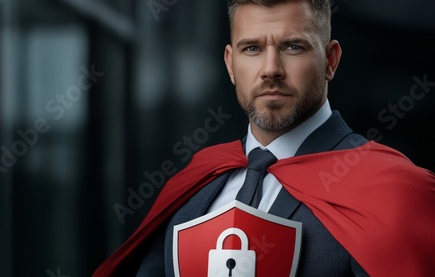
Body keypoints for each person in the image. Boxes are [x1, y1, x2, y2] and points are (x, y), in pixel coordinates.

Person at [93, 0, 435, 276]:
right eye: (252, 49)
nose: (271, 69)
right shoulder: (195, 182)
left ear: (330, 60)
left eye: (293, 46)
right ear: (230, 64)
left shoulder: (394, 193)